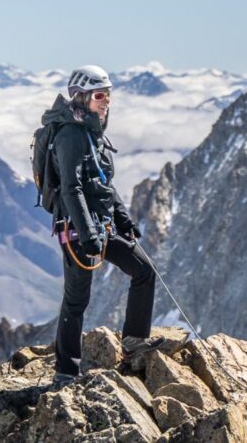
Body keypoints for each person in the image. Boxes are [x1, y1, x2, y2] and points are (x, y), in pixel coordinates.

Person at [42, 65, 162, 382]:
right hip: (78, 230)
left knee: (144, 272)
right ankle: (65, 372)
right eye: (99, 95)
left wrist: (124, 221)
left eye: (108, 95)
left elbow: (102, 183)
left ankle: (135, 344)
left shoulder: (93, 131)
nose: (106, 100)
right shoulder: (70, 134)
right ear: (80, 96)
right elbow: (72, 188)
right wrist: (87, 233)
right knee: (76, 300)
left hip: (101, 227)